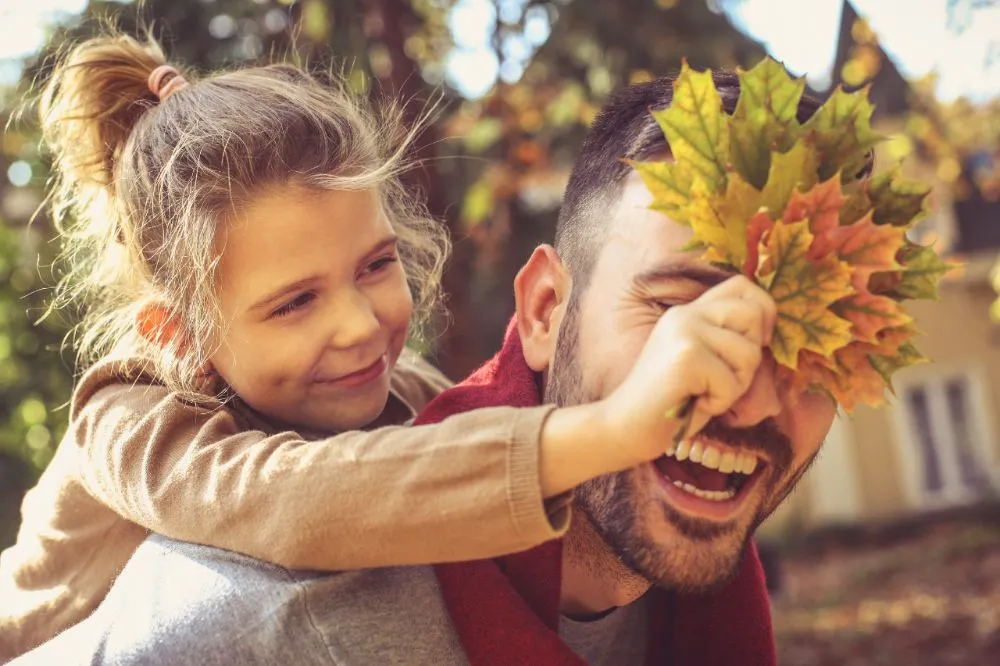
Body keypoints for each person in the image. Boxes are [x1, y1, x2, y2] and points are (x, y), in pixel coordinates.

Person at [12, 71, 855, 666]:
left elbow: (442, 448)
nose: (359, 322)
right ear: (181, 334)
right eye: (293, 302)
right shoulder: (131, 425)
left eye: (376, 266)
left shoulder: (402, 398)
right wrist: (612, 429)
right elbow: (300, 501)